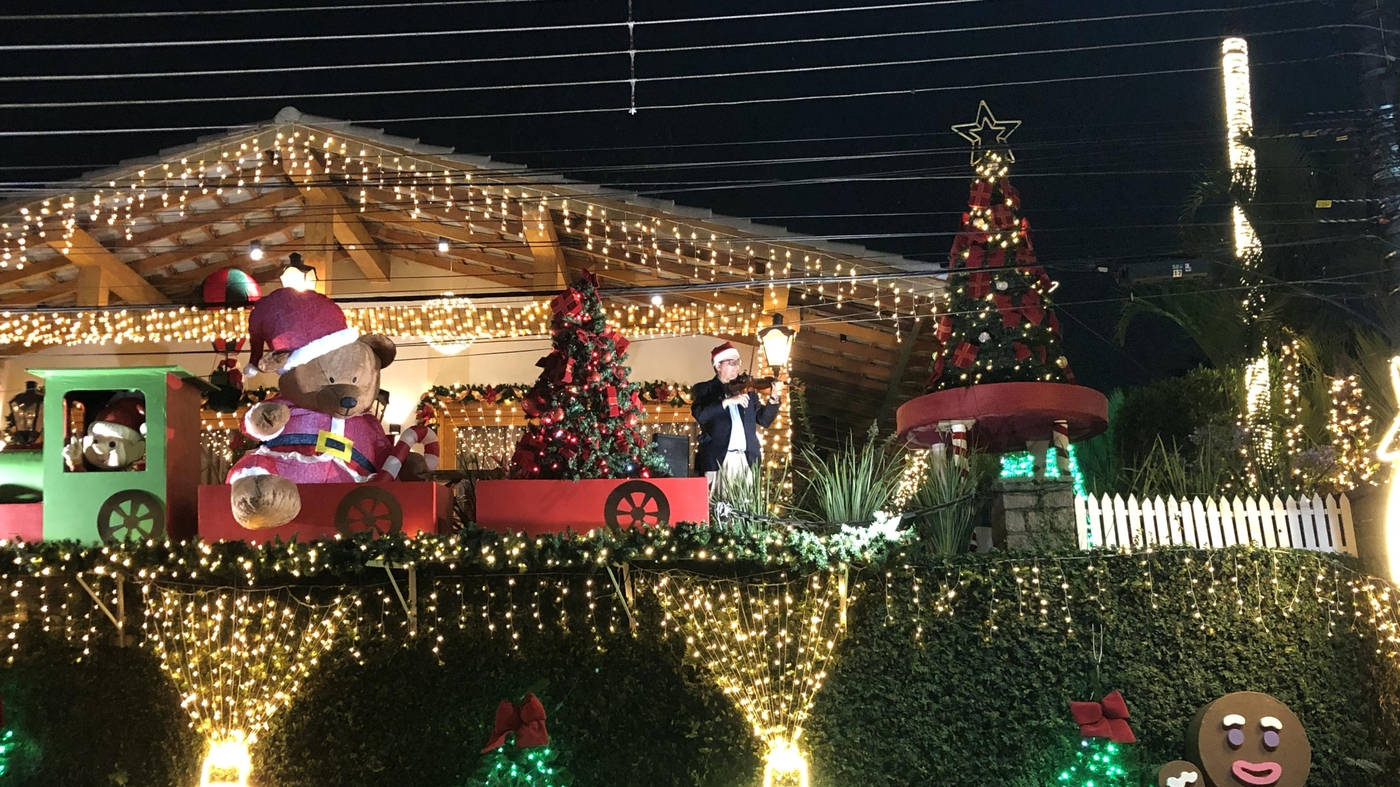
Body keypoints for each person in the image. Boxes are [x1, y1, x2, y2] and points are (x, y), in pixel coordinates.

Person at [691, 342, 784, 485]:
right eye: (732, 363)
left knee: (745, 506)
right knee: (717, 505)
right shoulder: (705, 389)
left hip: (746, 459)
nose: (737, 367)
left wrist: (774, 397)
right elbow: (701, 415)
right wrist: (727, 402)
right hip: (718, 460)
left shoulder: (747, 391)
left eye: (738, 362)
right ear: (718, 366)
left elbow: (764, 420)